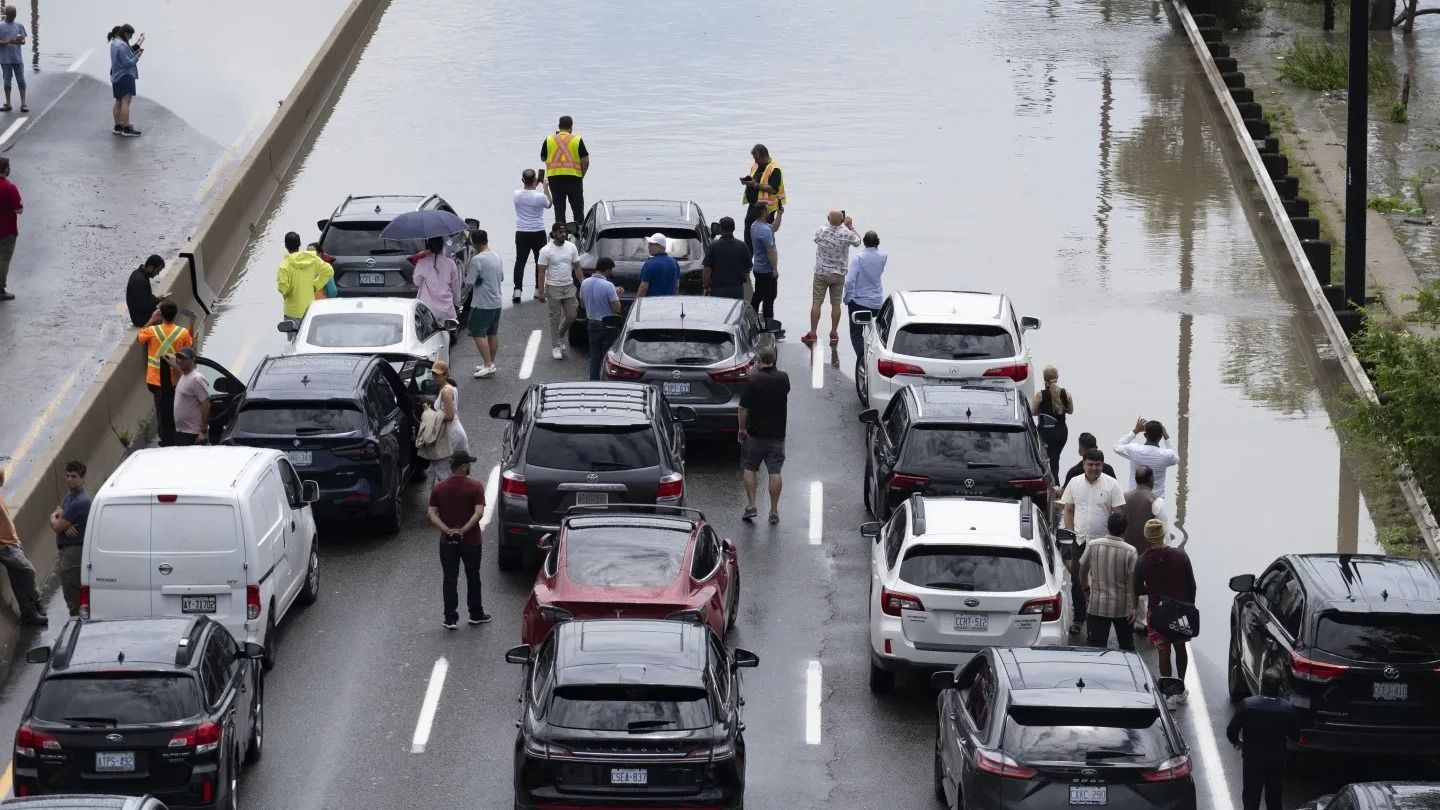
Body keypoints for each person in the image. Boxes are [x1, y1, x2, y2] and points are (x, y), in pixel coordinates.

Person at [1059, 448, 1126, 636]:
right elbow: (1068, 509)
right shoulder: (1075, 482)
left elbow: (1119, 512)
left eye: (1098, 465)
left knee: (1102, 581)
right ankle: (1079, 618)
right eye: (1090, 464)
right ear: (1084, 464)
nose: (1094, 468)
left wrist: (1114, 538)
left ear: (1102, 465)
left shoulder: (1112, 485)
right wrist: (1071, 530)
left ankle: (1098, 620)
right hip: (1080, 540)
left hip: (1103, 542)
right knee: (1076, 580)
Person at [1135, 518, 1196, 707]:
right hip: (1180, 609)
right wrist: (1189, 606)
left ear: (1146, 537)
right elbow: (1192, 585)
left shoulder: (1142, 561)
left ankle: (1168, 694)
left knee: (1163, 650)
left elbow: (1138, 589)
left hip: (1156, 611)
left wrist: (1153, 591)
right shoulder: (1181, 556)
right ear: (1163, 534)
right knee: (1180, 647)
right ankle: (1181, 687)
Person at [427, 451, 490, 629]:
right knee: (473, 577)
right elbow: (478, 513)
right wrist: (463, 530)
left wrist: (447, 530)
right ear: (463, 467)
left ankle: (450, 618)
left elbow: (431, 513)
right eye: (468, 464)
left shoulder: (439, 488)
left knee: (449, 579)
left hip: (447, 543)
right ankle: (476, 614)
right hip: (471, 542)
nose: (470, 466)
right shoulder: (475, 486)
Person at [1227, 669, 1301, 810]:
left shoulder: (1247, 705)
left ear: (1262, 683)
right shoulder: (1288, 709)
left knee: (1251, 797)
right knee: (1274, 798)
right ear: (1279, 687)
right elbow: (1296, 736)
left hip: (1252, 760)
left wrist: (1237, 743)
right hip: (1276, 762)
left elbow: (1231, 731)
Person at [738, 341, 789, 525]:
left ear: (759, 360)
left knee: (750, 467)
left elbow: (743, 408)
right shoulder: (784, 378)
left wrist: (742, 429)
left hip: (756, 435)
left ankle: (751, 506)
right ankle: (774, 511)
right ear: (774, 360)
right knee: (775, 471)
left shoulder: (753, 380)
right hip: (777, 435)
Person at [1077, 512, 1137, 651]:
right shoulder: (1131, 551)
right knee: (1127, 648)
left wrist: (1086, 589)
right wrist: (1134, 607)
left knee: (1095, 649)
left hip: (1097, 605)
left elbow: (1082, 571)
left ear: (1108, 527)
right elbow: (1132, 582)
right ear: (1125, 529)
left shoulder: (1093, 545)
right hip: (1123, 608)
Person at [138, 299, 194, 446]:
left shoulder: (152, 331)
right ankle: (176, 435)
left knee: (161, 411)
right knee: (175, 408)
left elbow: (140, 337)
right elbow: (189, 345)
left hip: (156, 380)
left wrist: (152, 319)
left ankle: (165, 440)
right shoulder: (182, 332)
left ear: (161, 314)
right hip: (175, 379)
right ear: (175, 315)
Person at [804, 211, 860, 345]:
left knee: (817, 303)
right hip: (838, 274)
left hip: (821, 272)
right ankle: (834, 333)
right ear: (842, 220)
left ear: (828, 219)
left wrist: (832, 222)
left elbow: (816, 238)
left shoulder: (822, 231)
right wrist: (850, 226)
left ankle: (813, 333)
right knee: (836, 304)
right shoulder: (846, 233)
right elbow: (858, 241)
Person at [0, 465, 44, 625]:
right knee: (27, 571)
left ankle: (28, 613)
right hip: (5, 545)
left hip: (10, 541)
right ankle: (35, 603)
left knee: (18, 577)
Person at [48, 460, 90, 617]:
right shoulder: (71, 497)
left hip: (73, 554)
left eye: (74, 476)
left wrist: (54, 518)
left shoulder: (80, 501)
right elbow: (60, 515)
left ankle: (78, 628)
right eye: (67, 476)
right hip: (68, 551)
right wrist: (63, 521)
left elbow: (57, 524)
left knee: (74, 597)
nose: (70, 480)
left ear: (83, 478)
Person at [537, 222, 581, 360]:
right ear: (554, 233)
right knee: (554, 317)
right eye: (560, 232)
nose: (563, 235)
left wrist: (583, 284)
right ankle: (555, 346)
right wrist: (542, 291)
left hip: (568, 286)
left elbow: (577, 267)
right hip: (553, 287)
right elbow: (542, 271)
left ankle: (560, 335)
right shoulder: (546, 250)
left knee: (572, 315)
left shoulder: (571, 247)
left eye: (565, 232)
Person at [465, 229, 503, 379]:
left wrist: (477, 279)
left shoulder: (477, 260)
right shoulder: (496, 255)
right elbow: (501, 277)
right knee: (492, 333)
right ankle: (490, 362)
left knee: (477, 332)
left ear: (474, 243)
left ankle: (487, 364)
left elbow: (469, 281)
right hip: (496, 302)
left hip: (482, 303)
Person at [843, 230, 886, 357]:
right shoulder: (883, 257)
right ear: (877, 241)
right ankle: (874, 357)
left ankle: (862, 360)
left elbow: (850, 281)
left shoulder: (859, 258)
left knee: (856, 334)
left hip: (859, 302)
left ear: (865, 242)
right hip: (876, 302)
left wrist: (847, 298)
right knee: (875, 334)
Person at [541, 115, 588, 230]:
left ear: (559, 126)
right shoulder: (577, 139)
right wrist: (581, 175)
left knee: (559, 211)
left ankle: (561, 236)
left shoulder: (549, 139)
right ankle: (579, 235)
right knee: (578, 210)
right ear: (571, 127)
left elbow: (543, 157)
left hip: (555, 179)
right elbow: (585, 161)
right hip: (574, 179)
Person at [512, 169, 551, 302]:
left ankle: (517, 290)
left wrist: (535, 185)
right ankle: (537, 289)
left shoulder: (516, 194)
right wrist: (545, 188)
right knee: (539, 261)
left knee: (520, 261)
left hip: (521, 232)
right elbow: (549, 204)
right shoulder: (540, 197)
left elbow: (528, 192)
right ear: (535, 180)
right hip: (538, 232)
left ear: (523, 180)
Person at [1114, 417, 1180, 496]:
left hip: (1135, 499)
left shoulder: (1134, 450)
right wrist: (1166, 436)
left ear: (1145, 435)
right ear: (1160, 436)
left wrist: (1135, 431)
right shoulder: (1166, 455)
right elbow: (1176, 457)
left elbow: (1117, 447)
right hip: (1156, 502)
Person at [276, 231, 332, 321]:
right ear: (300, 244)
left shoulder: (284, 265)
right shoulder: (313, 259)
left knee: (294, 335)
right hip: (310, 310)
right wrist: (316, 285)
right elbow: (328, 271)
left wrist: (287, 293)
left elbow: (283, 287)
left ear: (286, 246)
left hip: (292, 312)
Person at [427, 361, 468, 482]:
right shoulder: (450, 388)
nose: (434, 377)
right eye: (433, 374)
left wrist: (432, 416)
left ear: (445, 375)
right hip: (452, 432)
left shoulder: (446, 392)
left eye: (437, 375)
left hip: (451, 434)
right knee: (455, 470)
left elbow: (449, 416)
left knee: (444, 471)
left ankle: (448, 496)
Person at [581, 258, 621, 380]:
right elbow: (616, 309)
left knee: (594, 357)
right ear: (607, 270)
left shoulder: (585, 283)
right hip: (607, 324)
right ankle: (605, 382)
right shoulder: (609, 286)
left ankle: (593, 382)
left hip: (591, 323)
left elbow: (582, 304)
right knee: (606, 356)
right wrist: (617, 295)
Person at [1031, 365, 1073, 481]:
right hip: (1061, 432)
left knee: (1048, 458)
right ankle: (1055, 481)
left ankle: (1053, 482)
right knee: (1055, 457)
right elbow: (1070, 411)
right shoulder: (1066, 394)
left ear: (1044, 379)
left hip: (1046, 432)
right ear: (1057, 377)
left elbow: (1033, 412)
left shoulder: (1040, 395)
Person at [741, 143, 785, 248]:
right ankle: (748, 260)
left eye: (757, 159)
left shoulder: (774, 169)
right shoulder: (755, 166)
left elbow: (773, 189)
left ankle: (763, 259)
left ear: (764, 156)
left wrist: (755, 185)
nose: (755, 161)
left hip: (766, 209)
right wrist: (747, 182)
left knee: (764, 237)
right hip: (753, 205)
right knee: (748, 236)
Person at [414, 236, 461, 324]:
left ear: (428, 247)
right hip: (447, 309)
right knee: (449, 334)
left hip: (427, 309)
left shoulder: (422, 262)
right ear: (442, 246)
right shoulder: (450, 263)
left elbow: (417, 282)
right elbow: (455, 287)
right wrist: (457, 304)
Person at [702, 216, 751, 300]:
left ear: (720, 229)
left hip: (718, 290)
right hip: (737, 290)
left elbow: (707, 269)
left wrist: (706, 286)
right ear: (734, 228)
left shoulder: (714, 246)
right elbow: (748, 268)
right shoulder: (742, 246)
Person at [107, 24, 143, 137]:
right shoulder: (121, 45)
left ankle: (118, 126)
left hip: (116, 76)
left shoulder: (114, 43)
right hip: (125, 76)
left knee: (118, 101)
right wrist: (138, 56)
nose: (130, 38)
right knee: (126, 102)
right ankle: (126, 127)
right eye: (130, 35)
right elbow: (127, 62)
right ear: (126, 33)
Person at [1121, 466, 1165, 555]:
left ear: (1135, 479)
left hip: (1125, 551)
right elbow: (1164, 530)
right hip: (1147, 554)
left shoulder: (1123, 498)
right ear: (1151, 479)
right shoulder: (1155, 500)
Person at [171, 347, 210, 446]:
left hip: (192, 433)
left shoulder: (196, 379)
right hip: (181, 432)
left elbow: (206, 404)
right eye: (178, 357)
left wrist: (203, 431)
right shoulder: (184, 376)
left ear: (192, 360)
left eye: (184, 358)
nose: (180, 360)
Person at [749, 202, 779, 322]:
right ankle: (768, 321)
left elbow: (774, 228)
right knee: (769, 297)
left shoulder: (755, 226)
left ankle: (752, 317)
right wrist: (774, 269)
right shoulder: (765, 231)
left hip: (758, 268)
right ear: (763, 212)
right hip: (766, 269)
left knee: (758, 294)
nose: (768, 211)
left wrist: (779, 215)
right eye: (767, 210)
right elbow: (770, 251)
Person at [0, 6, 28, 113]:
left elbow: (23, 41)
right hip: (5, 59)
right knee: (7, 82)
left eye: (14, 15)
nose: (13, 17)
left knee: (21, 81)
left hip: (17, 59)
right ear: (6, 13)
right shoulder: (1, 26)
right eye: (11, 15)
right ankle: (8, 103)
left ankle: (23, 104)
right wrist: (7, 41)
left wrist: (18, 40)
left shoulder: (19, 26)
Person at [125, 254, 167, 326]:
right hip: (141, 319)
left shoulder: (138, 273)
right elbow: (144, 306)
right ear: (151, 267)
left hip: (140, 314)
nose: (158, 274)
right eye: (157, 271)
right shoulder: (140, 281)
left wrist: (157, 299)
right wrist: (158, 300)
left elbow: (145, 298)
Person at [0, 155, 20, 301]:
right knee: (3, 259)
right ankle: (0, 288)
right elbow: (19, 209)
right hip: (6, 230)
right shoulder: (10, 187)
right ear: (6, 170)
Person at [637, 233, 679, 298]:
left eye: (651, 244)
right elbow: (676, 286)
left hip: (653, 305)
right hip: (670, 304)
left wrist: (637, 303)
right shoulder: (674, 262)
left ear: (659, 247)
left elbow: (644, 287)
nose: (648, 246)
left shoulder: (649, 264)